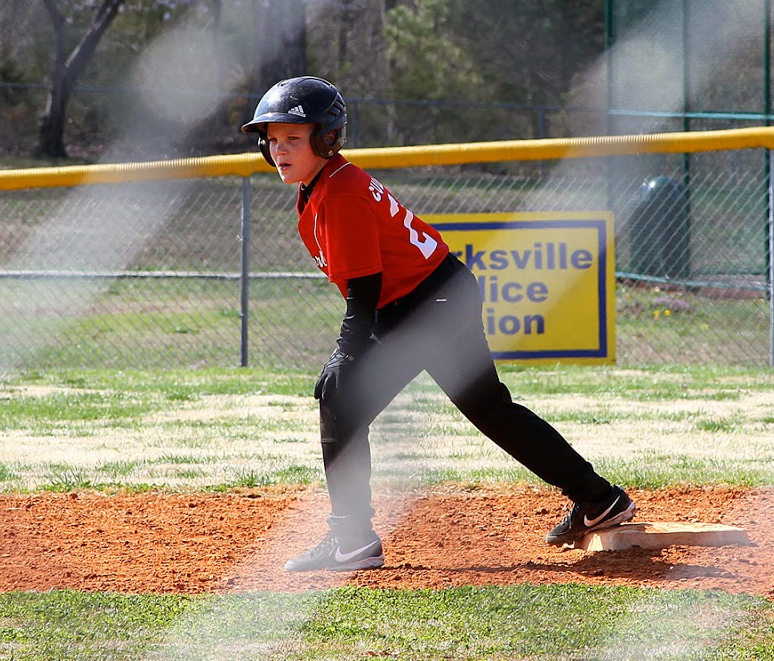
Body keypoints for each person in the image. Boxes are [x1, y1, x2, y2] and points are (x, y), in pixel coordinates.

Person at [242, 76, 633, 572]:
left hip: (426, 302)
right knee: (489, 408)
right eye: (272, 140)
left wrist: (346, 354)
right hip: (440, 292)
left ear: (327, 138)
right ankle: (600, 499)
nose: (279, 150)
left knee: (340, 398)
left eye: (293, 138)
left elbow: (364, 291)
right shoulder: (326, 184)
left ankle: (352, 539)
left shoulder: (338, 193)